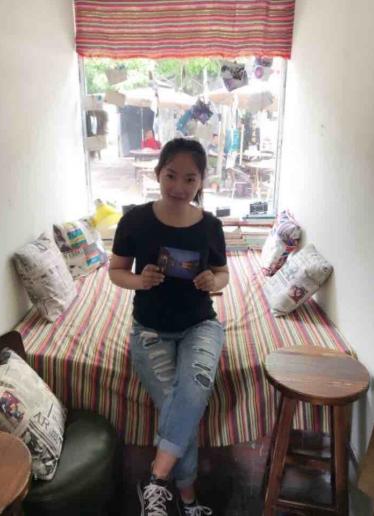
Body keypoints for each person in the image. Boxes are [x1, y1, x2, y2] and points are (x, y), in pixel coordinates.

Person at [109, 138, 229, 515]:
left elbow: (223, 273)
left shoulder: (210, 226)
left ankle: (156, 480)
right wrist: (139, 280)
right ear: (158, 173)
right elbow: (115, 271)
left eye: (190, 179)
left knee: (193, 387)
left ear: (202, 181)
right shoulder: (135, 220)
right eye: (171, 175)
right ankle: (189, 499)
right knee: (180, 408)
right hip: (151, 330)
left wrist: (213, 280)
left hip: (200, 325)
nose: (179, 187)